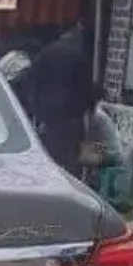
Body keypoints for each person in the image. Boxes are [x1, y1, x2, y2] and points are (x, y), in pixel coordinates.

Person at [12, 23, 98, 176]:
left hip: (46, 116)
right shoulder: (78, 57)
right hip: (69, 118)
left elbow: (29, 81)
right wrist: (85, 109)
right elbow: (86, 89)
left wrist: (35, 108)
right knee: (70, 162)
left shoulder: (47, 53)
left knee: (48, 158)